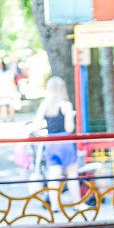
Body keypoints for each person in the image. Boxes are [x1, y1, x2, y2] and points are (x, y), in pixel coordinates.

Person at [32, 77, 86, 213]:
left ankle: (55, 206)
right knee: (71, 174)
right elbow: (69, 128)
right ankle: (77, 204)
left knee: (53, 175)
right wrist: (71, 117)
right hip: (64, 142)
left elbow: (36, 127)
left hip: (50, 143)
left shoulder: (44, 105)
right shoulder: (65, 105)